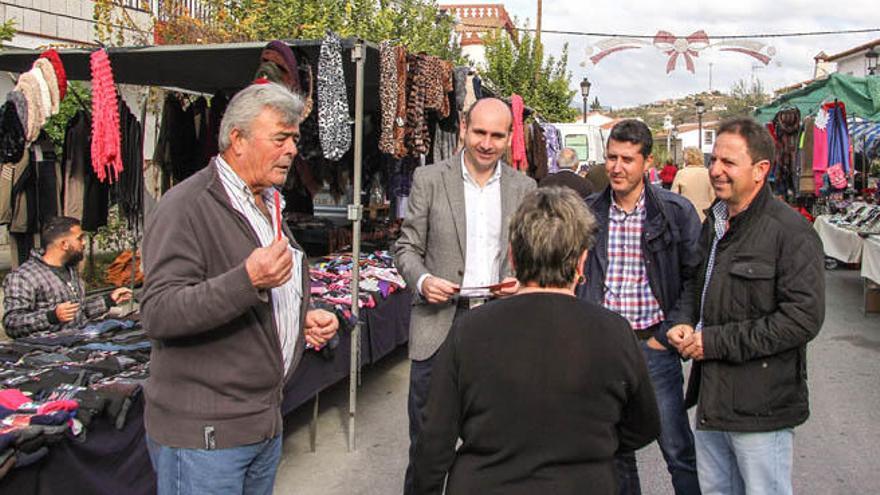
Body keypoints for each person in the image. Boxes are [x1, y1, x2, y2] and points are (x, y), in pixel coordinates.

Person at [140, 83, 339, 495]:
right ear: (238, 140)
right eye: (280, 139)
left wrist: (300, 318)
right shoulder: (186, 206)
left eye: (295, 140)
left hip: (260, 422)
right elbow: (159, 312)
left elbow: (268, 288)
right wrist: (246, 280)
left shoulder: (266, 202)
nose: (292, 151)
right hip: (205, 436)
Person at [410, 187, 660, 495]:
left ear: (513, 257)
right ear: (582, 262)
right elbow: (643, 424)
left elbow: (434, 440)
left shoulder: (470, 330)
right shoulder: (615, 331)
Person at [667, 118, 825, 495]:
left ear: (761, 170)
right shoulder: (715, 222)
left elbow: (802, 319)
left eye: (728, 163)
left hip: (761, 408)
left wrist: (712, 342)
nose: (716, 170)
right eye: (714, 159)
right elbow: (696, 283)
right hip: (712, 401)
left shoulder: (790, 232)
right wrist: (684, 320)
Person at [393, 97, 537, 495]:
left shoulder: (524, 188)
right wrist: (422, 281)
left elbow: (528, 255)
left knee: (495, 441)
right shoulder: (429, 179)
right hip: (438, 324)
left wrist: (519, 281)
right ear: (462, 128)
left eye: (496, 135)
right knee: (427, 446)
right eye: (479, 133)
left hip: (497, 323)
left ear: (510, 137)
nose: (486, 143)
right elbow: (405, 248)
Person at [577, 119, 702, 495]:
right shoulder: (588, 212)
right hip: (604, 348)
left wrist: (669, 332)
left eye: (627, 159)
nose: (616, 167)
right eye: (612, 157)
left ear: (647, 162)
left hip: (653, 348)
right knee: (615, 449)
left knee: (677, 448)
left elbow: (693, 278)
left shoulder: (674, 212)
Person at [2, 216, 132, 338]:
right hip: (46, 353)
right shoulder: (23, 277)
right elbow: (12, 324)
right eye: (79, 238)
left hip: (79, 344)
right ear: (64, 244)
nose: (84, 243)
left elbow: (78, 312)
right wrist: (51, 317)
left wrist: (108, 300)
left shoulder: (70, 269)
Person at [672, 147, 715, 222]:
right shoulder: (708, 174)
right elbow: (713, 197)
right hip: (705, 216)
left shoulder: (681, 173)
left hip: (686, 215)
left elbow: (674, 197)